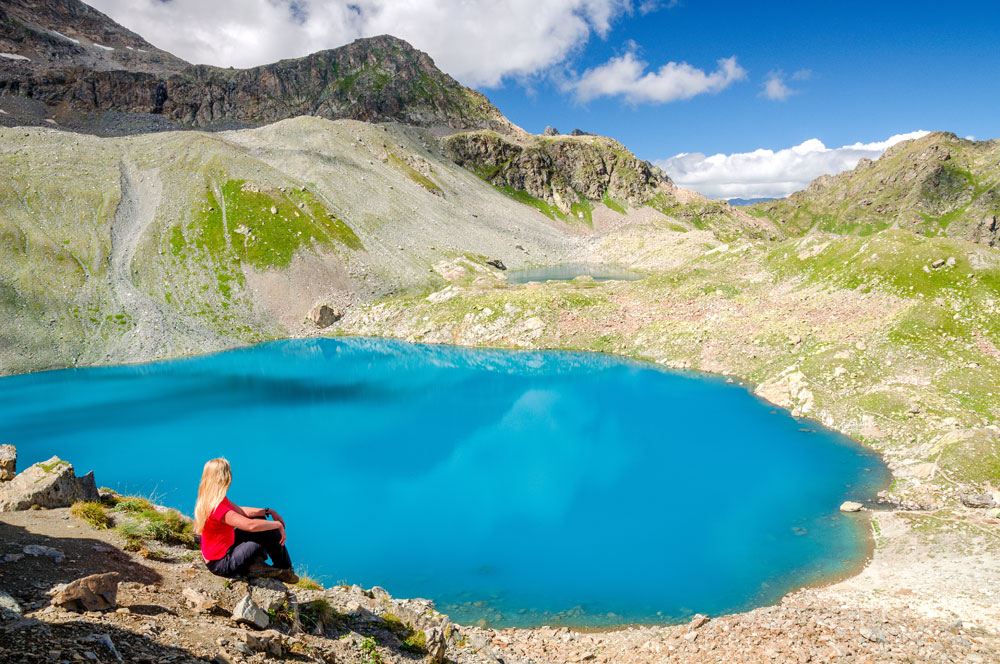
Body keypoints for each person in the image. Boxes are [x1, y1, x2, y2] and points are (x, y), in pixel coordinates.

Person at [193, 458, 299, 584]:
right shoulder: (217, 507)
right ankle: (276, 569)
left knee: (261, 522)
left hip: (226, 549)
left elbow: (241, 511)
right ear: (224, 477)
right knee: (261, 539)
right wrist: (277, 525)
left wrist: (268, 511)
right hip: (221, 563)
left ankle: (281, 569)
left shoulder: (213, 499)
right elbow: (250, 526)